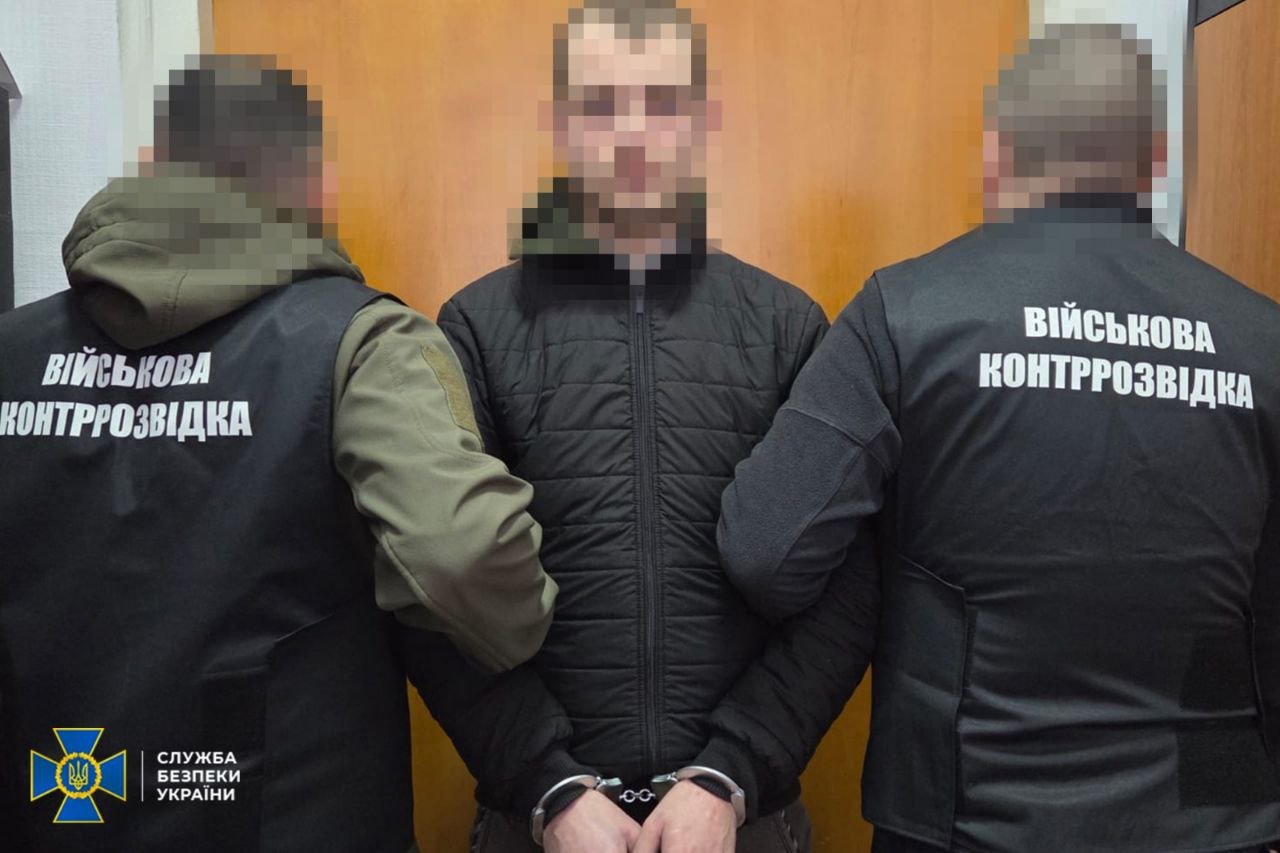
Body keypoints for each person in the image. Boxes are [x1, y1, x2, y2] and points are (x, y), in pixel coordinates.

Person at [717, 23, 1280, 853]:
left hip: (972, 821)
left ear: (999, 150)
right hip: (1212, 823)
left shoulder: (906, 314)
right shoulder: (1262, 340)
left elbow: (765, 551)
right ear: (1157, 159)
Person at [0, 55, 556, 851]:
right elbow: (466, 563)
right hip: (290, 818)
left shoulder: (12, 354)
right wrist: (523, 619)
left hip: (58, 807)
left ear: (156, 165)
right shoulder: (358, 341)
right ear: (315, 185)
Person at [403, 1, 879, 851]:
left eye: (660, 102)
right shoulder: (475, 328)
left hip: (742, 823)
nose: (630, 134)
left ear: (703, 119)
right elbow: (435, 594)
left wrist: (729, 774)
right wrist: (548, 786)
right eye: (599, 104)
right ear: (559, 122)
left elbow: (848, 589)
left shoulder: (788, 327)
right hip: (539, 824)